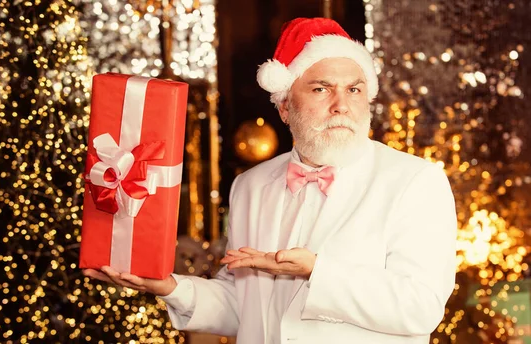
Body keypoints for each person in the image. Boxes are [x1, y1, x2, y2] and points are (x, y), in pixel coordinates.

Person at [83, 17, 457, 344]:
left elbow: (420, 308)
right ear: (284, 106)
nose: (341, 104)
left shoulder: (415, 181)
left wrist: (316, 271)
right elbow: (244, 307)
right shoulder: (251, 185)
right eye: (321, 88)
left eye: (354, 89)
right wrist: (171, 288)